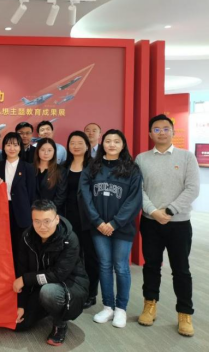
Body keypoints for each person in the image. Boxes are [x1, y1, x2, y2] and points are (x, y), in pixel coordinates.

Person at [135, 114, 200, 337]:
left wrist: (170, 210)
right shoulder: (142, 159)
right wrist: (154, 211)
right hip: (150, 222)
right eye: (156, 129)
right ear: (150, 133)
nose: (161, 132)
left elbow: (192, 188)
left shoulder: (187, 157)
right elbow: (138, 190)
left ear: (173, 131)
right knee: (151, 266)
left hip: (179, 224)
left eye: (165, 128)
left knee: (181, 269)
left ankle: (185, 313)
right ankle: (149, 305)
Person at [80, 129, 143, 329]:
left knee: (121, 266)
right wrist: (98, 221)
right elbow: (85, 196)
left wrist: (115, 223)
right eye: (108, 141)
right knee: (105, 265)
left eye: (117, 141)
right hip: (98, 226)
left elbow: (134, 200)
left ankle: (121, 308)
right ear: (103, 143)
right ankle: (108, 306)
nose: (112, 144)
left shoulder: (132, 169)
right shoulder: (92, 167)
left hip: (122, 227)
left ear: (123, 145)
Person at [14, 200, 89, 347]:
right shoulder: (26, 237)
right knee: (19, 325)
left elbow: (58, 275)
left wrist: (25, 279)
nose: (42, 227)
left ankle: (60, 323)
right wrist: (21, 305)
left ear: (57, 219)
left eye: (47, 221)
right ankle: (48, 308)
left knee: (49, 292)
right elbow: (22, 270)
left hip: (70, 285)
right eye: (37, 221)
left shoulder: (69, 239)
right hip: (39, 286)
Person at [64, 131, 100, 309]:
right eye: (72, 142)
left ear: (87, 146)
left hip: (89, 218)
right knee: (72, 255)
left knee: (91, 257)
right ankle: (74, 289)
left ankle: (91, 293)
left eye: (80, 142)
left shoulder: (95, 166)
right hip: (67, 218)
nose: (76, 146)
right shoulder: (64, 166)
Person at [0, 133, 36, 273]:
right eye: (8, 145)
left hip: (22, 212)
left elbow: (32, 193)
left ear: (20, 147)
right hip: (3, 211)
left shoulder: (28, 167)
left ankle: (20, 276)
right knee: (4, 246)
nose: (12, 148)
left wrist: (32, 214)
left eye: (16, 145)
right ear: (4, 147)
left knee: (21, 247)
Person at [32, 138, 67, 213]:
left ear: (54, 152)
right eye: (42, 150)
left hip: (51, 212)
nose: (46, 153)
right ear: (37, 151)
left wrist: (49, 211)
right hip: (31, 211)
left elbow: (60, 195)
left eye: (49, 150)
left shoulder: (60, 170)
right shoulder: (29, 168)